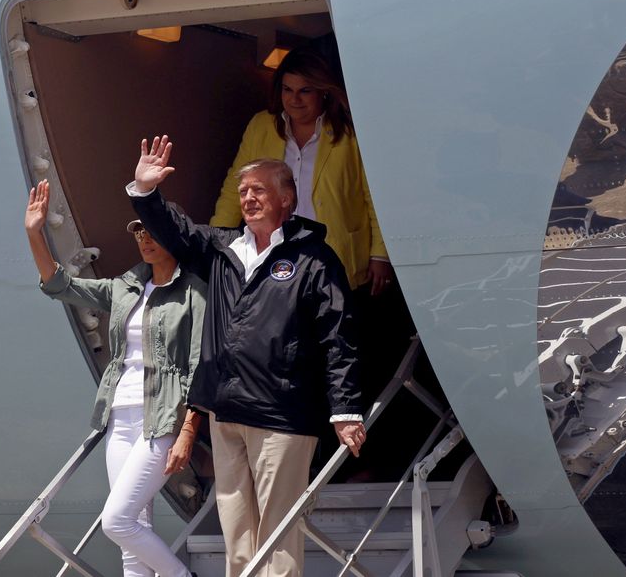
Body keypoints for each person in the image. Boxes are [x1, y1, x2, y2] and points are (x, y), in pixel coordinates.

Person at [127, 136, 366, 577]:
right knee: (237, 540)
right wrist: (146, 192)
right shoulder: (222, 250)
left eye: (259, 189)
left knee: (278, 538)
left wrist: (345, 409)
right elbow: (174, 231)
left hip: (282, 413)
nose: (249, 198)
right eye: (243, 192)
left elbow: (338, 336)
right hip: (226, 412)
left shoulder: (313, 258)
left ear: (286, 197)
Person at [25, 179, 205, 577]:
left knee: (116, 521)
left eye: (153, 229)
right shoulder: (125, 288)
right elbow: (59, 285)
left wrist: (189, 431)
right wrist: (35, 233)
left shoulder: (194, 293)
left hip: (160, 422)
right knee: (133, 531)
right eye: (139, 230)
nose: (144, 237)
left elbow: (199, 367)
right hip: (119, 420)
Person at [210, 47, 395, 294]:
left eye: (305, 91)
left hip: (335, 258)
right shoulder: (261, 126)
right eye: (288, 89)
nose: (294, 99)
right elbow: (236, 189)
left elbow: (374, 196)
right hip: (271, 255)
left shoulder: (351, 132)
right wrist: (217, 242)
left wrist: (380, 254)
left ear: (324, 92)